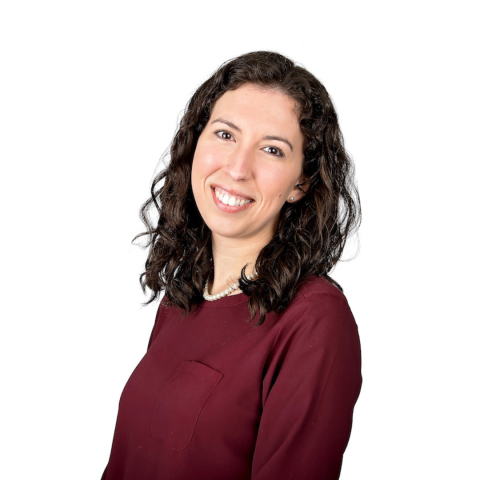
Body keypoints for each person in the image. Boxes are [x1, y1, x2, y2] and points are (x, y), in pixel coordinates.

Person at [101, 51, 362, 480]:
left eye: (272, 149)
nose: (238, 168)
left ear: (301, 183)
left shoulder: (314, 319)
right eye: (225, 135)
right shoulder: (181, 298)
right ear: (196, 143)